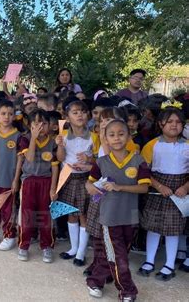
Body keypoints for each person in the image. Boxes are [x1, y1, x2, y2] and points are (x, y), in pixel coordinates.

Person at [85, 119, 150, 301]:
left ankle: (95, 281)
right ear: (105, 139)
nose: (117, 138)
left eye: (121, 134)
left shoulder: (139, 160)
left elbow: (144, 188)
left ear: (129, 136)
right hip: (109, 217)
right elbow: (90, 182)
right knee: (118, 256)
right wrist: (89, 186)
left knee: (116, 254)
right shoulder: (101, 161)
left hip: (130, 217)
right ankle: (127, 291)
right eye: (111, 135)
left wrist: (120, 187)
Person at [138, 105, 189, 281]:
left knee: (173, 229)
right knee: (154, 226)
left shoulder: (188, 146)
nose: (174, 125)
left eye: (178, 122)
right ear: (161, 124)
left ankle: (169, 264)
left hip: (179, 192)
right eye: (170, 121)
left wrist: (186, 187)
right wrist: (159, 186)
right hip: (157, 190)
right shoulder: (152, 145)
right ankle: (149, 260)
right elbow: (144, 171)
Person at [56, 97, 99, 267]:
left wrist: (89, 160)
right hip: (68, 177)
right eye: (75, 112)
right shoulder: (63, 136)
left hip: (86, 179)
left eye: (82, 112)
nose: (80, 115)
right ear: (67, 117)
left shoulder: (94, 137)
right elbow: (60, 158)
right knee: (71, 213)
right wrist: (59, 146)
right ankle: (73, 248)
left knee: (84, 215)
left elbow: (100, 159)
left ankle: (81, 252)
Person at [0, 100, 26, 251]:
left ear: (14, 116)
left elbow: (20, 159)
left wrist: (16, 180)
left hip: (9, 181)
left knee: (8, 210)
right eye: (3, 114)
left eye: (10, 114)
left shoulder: (19, 136)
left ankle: (9, 236)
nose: (6, 117)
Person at [17, 109, 59, 262]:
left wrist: (53, 188)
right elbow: (28, 158)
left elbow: (55, 166)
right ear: (29, 125)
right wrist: (33, 138)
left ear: (50, 125)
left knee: (45, 214)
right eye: (36, 124)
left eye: (44, 124)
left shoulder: (54, 141)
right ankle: (24, 245)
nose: (40, 127)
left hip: (46, 181)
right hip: (29, 181)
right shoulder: (24, 139)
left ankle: (47, 245)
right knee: (27, 214)